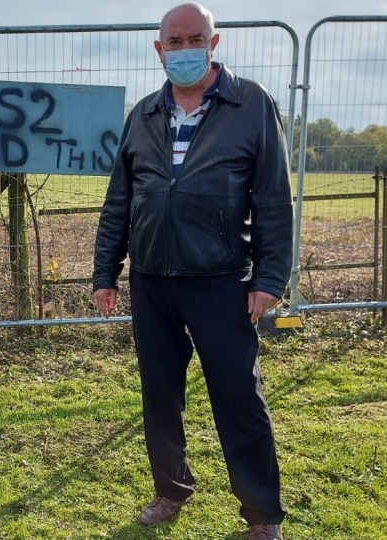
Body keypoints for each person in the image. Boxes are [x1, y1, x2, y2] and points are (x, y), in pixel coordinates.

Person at [92, 4, 293, 540]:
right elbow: (120, 200)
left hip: (222, 280)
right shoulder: (144, 114)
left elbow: (273, 198)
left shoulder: (250, 105)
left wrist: (270, 277)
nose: (184, 49)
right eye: (174, 41)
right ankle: (171, 489)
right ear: (159, 50)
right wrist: (105, 272)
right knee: (159, 393)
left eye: (194, 38)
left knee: (238, 396)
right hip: (153, 279)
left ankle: (262, 515)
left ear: (214, 41)